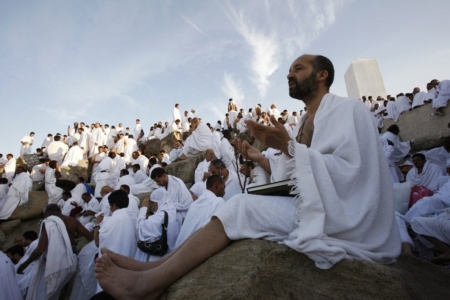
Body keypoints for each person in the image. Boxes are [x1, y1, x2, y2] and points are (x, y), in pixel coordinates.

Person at [94, 54, 400, 299]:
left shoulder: (348, 110)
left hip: (345, 216)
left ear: (322, 75)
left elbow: (353, 173)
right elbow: (297, 174)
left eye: (298, 68)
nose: (289, 74)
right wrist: (261, 155)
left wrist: (290, 148)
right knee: (239, 203)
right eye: (289, 70)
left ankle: (145, 286)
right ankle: (154, 269)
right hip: (319, 204)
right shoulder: (306, 119)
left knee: (240, 206)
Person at [17, 204, 93, 300]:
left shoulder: (48, 222)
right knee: (60, 289)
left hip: (55, 261)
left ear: (48, 213)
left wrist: (24, 264)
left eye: (45, 215)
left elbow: (40, 249)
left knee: (46, 293)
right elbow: (90, 237)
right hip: (72, 258)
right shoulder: (73, 221)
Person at [93, 190, 137, 293]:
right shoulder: (131, 217)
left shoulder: (112, 220)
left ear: (114, 205)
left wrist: (96, 224)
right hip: (126, 267)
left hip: (111, 269)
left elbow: (97, 242)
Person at [175, 175, 225, 247]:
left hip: (180, 247)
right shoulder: (218, 201)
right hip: (195, 248)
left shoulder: (195, 203)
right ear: (217, 185)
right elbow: (212, 229)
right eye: (223, 187)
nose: (224, 191)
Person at [135, 188, 180, 262]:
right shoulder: (173, 210)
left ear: (156, 203)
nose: (152, 206)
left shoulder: (160, 216)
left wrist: (144, 207)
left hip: (158, 254)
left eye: (152, 203)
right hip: (170, 252)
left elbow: (140, 227)